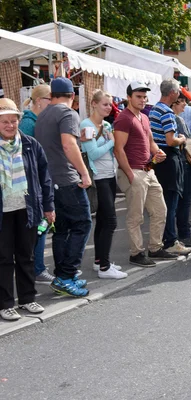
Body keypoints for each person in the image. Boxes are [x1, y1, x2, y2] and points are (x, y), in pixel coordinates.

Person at [35, 78, 91, 297]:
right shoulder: (68, 113)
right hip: (67, 179)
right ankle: (66, 276)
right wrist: (84, 172)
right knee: (82, 224)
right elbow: (68, 145)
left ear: (52, 95)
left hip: (49, 181)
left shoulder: (44, 115)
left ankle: (62, 276)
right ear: (72, 96)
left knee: (62, 230)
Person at [0, 98, 54, 320]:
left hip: (28, 208)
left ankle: (27, 299)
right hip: (2, 212)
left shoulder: (31, 144)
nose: (10, 125)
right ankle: (5, 303)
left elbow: (45, 178)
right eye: (5, 121)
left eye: (13, 120)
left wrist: (49, 206)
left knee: (26, 255)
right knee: (3, 258)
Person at [113, 81, 177, 267]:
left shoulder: (144, 117)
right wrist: (129, 174)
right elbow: (118, 149)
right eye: (138, 96)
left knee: (160, 211)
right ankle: (136, 253)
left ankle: (155, 248)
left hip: (148, 170)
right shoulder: (124, 118)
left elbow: (150, 143)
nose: (142, 100)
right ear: (129, 97)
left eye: (144, 96)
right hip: (134, 171)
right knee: (136, 217)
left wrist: (158, 152)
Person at [80, 90, 127, 279]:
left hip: (109, 176)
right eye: (105, 104)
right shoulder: (86, 125)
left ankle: (100, 261)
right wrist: (111, 142)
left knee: (102, 221)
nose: (109, 107)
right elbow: (93, 153)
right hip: (98, 178)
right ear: (93, 104)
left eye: (110, 104)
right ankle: (105, 268)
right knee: (110, 221)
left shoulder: (106, 124)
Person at [149, 79, 191, 256]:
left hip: (159, 157)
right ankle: (170, 240)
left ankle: (167, 239)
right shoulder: (167, 112)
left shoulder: (153, 109)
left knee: (164, 202)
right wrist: (182, 138)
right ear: (173, 93)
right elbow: (170, 140)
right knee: (171, 201)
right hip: (169, 157)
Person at [19, 84, 55, 284]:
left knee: (41, 227)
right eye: (50, 99)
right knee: (40, 227)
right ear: (40, 100)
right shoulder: (27, 124)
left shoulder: (36, 121)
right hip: (31, 189)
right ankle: (37, 269)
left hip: (38, 186)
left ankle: (36, 267)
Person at [170, 95, 191, 248]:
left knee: (176, 202)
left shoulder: (172, 117)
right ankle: (184, 234)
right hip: (184, 163)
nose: (185, 104)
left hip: (176, 163)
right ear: (176, 102)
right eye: (183, 101)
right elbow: (189, 141)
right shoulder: (177, 120)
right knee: (184, 202)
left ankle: (178, 234)